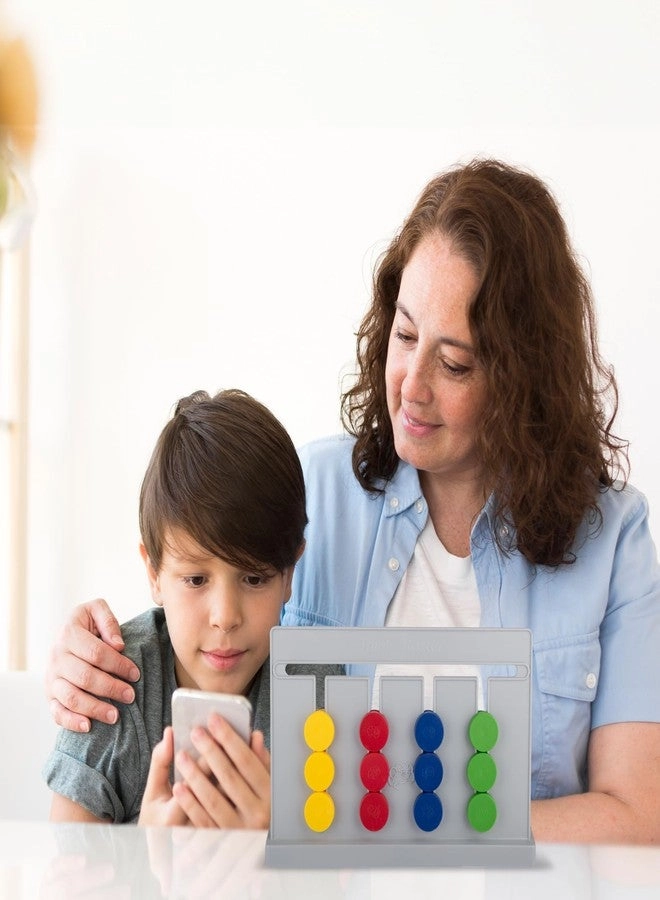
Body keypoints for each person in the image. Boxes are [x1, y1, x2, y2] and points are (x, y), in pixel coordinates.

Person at [45, 159, 660, 844]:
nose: (411, 385)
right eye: (404, 335)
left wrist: (355, 827)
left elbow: (635, 819)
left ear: (523, 377)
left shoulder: (614, 541)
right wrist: (89, 656)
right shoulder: (313, 491)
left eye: (454, 363)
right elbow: (187, 607)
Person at [43, 388, 334, 826]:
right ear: (155, 573)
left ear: (290, 574)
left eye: (254, 579)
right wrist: (147, 861)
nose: (225, 616)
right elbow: (64, 875)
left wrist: (277, 847)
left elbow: (339, 877)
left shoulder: (315, 697)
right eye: (196, 580)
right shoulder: (113, 689)